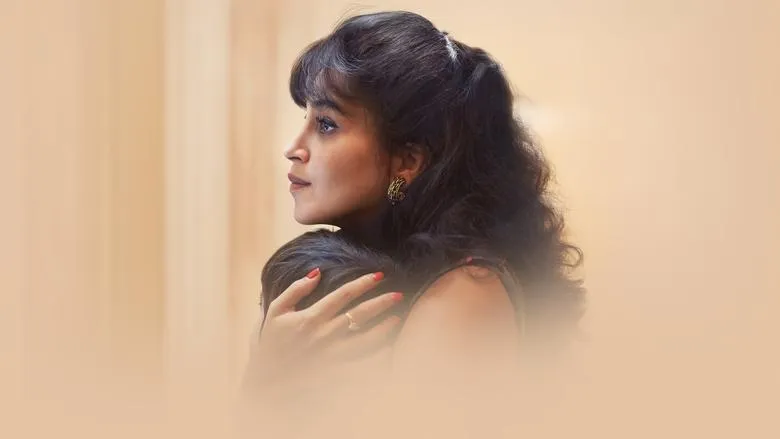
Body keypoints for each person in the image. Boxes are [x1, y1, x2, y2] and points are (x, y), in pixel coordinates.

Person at [242, 9, 585, 436]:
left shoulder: (466, 292)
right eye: (305, 119)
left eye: (326, 125)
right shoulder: (361, 268)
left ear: (407, 161)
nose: (294, 148)